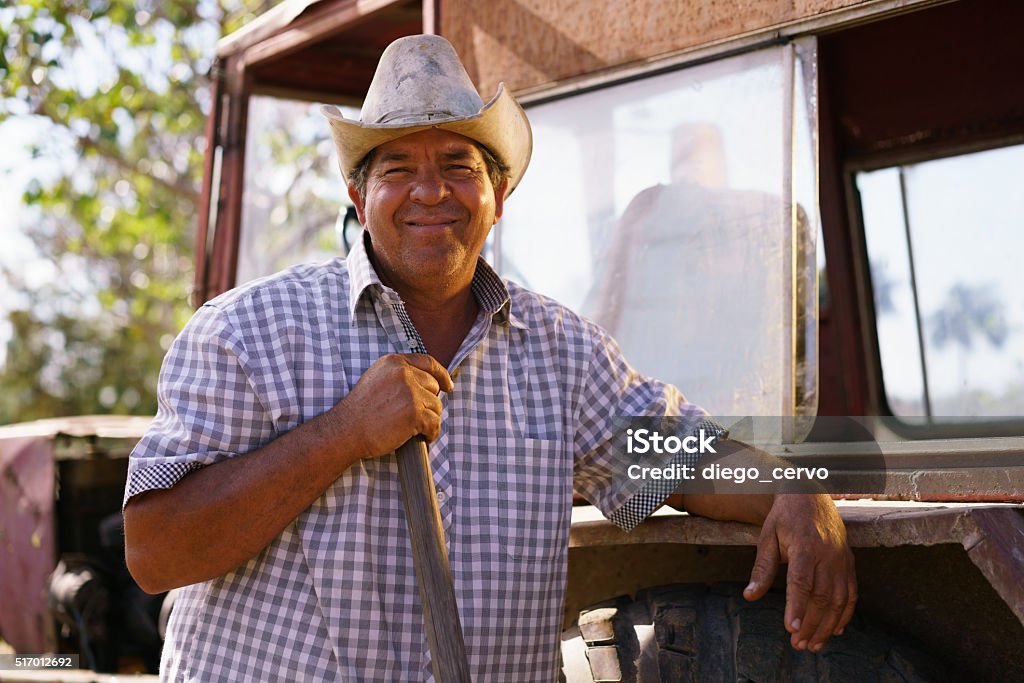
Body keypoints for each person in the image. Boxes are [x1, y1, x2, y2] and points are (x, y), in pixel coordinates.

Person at [123, 34, 855, 681]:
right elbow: (154, 551)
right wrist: (344, 432)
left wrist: (798, 490)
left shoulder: (559, 353)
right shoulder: (247, 332)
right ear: (359, 192)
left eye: (457, 165)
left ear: (498, 194)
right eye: (398, 167)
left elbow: (680, 457)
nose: (432, 190)